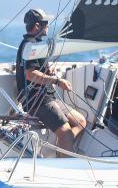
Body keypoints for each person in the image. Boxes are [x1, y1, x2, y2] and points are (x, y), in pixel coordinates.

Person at [16, 8, 86, 157]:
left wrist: (48, 73)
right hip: (38, 101)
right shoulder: (30, 45)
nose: (48, 26)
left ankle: (61, 149)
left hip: (48, 97)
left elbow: (36, 70)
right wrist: (56, 80)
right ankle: (66, 165)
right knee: (66, 134)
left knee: (80, 122)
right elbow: (30, 74)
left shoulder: (35, 44)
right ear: (36, 26)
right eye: (45, 23)